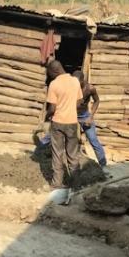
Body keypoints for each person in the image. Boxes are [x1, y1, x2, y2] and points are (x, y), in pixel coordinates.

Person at [44, 60, 83, 204]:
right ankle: (76, 186)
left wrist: (46, 116)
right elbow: (79, 102)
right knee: (73, 155)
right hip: (72, 122)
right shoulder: (75, 81)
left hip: (58, 123)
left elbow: (52, 108)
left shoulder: (54, 84)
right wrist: (70, 107)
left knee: (57, 153)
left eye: (50, 74)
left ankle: (56, 184)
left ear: (54, 72)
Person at [73, 70, 108, 167]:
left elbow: (96, 101)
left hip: (84, 116)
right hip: (71, 114)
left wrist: (91, 116)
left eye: (77, 83)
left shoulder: (90, 88)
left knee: (93, 140)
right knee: (56, 134)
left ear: (82, 80)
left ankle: (103, 165)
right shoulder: (70, 87)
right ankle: (40, 150)